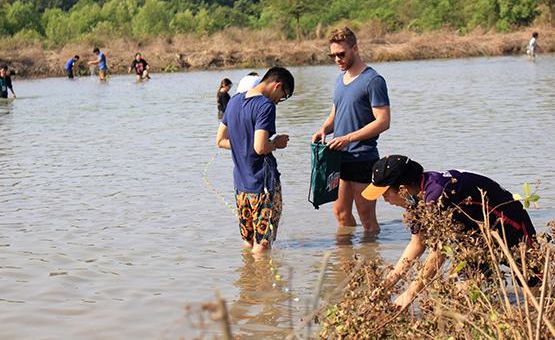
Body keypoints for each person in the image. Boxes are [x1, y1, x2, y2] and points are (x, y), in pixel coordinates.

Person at [361, 155, 537, 309]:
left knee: (535, 296)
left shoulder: (438, 194)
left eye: (385, 193)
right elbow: (417, 244)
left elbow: (438, 253)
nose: (384, 200)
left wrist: (409, 295)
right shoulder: (415, 200)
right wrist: (386, 287)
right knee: (462, 296)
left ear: (402, 189)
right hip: (473, 239)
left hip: (510, 228)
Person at [311, 26, 390, 233]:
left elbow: (383, 121)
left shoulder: (373, 80)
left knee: (366, 217)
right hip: (339, 158)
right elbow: (336, 113)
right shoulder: (340, 79)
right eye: (333, 55)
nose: (337, 59)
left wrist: (348, 138)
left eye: (341, 54)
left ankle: (371, 259)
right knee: (341, 213)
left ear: (355, 49)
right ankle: (347, 262)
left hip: (363, 157)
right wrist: (324, 129)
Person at [216, 67, 295, 255]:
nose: (279, 101)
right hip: (263, 186)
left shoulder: (234, 101)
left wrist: (243, 145)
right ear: (278, 86)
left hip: (241, 186)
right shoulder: (265, 106)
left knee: (248, 242)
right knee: (262, 245)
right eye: (283, 96)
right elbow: (260, 148)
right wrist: (276, 143)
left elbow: (220, 140)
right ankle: (260, 284)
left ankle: (248, 281)